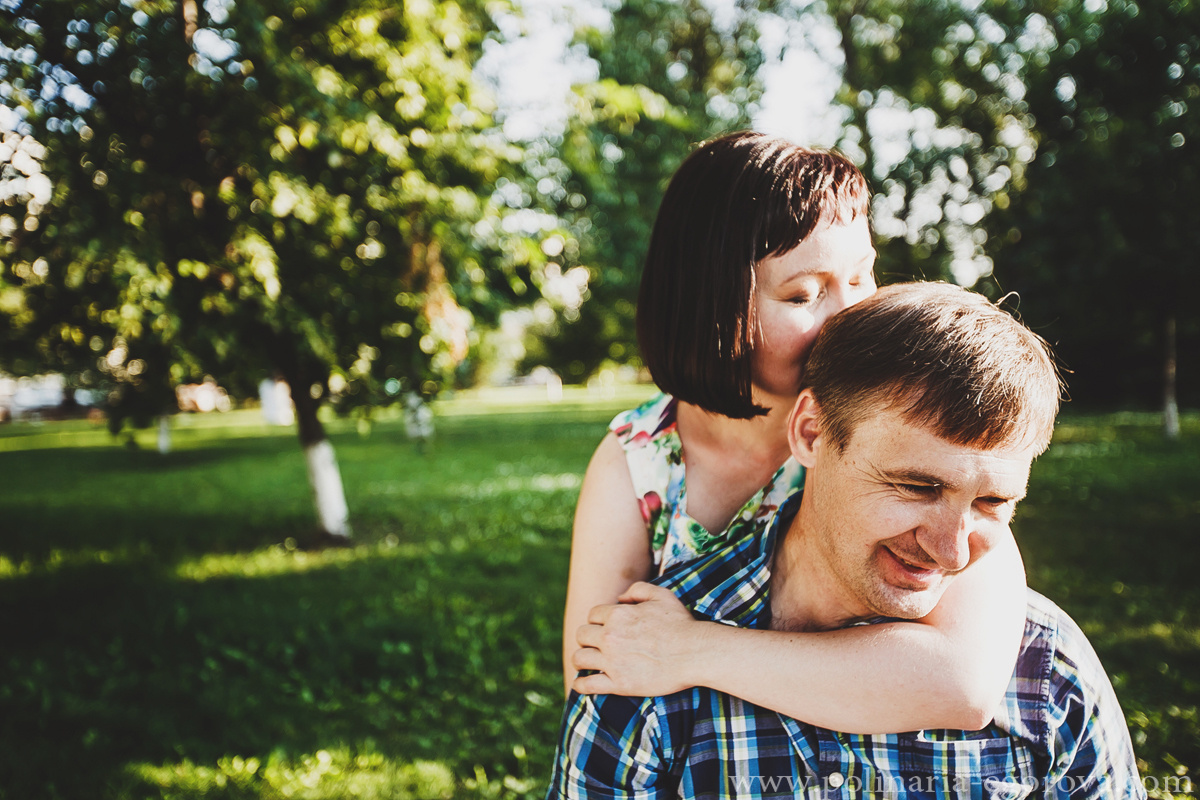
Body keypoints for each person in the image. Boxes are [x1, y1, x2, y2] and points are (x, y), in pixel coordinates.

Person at [549, 282, 1145, 799]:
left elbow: (966, 685)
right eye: (916, 486)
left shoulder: (1046, 670)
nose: (953, 551)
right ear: (811, 433)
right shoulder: (644, 664)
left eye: (992, 503)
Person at [564, 131, 1027, 732]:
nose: (846, 315)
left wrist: (690, 649)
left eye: (860, 278)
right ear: (711, 304)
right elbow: (595, 679)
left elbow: (964, 682)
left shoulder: (896, 433)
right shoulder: (639, 462)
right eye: (805, 294)